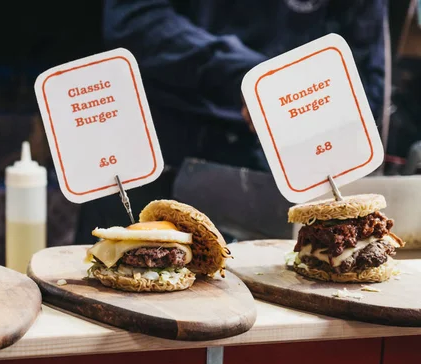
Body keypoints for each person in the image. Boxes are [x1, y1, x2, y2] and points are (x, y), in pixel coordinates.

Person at [74, 0, 386, 244]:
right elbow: (136, 20)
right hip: (159, 147)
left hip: (276, 165)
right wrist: (248, 76)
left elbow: (363, 69)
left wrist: (322, 110)